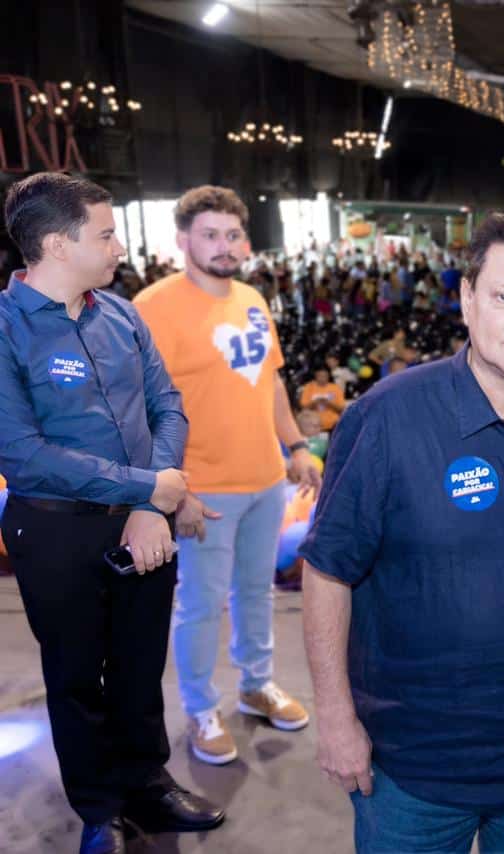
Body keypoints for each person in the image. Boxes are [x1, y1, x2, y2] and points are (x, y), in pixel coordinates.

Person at [300, 210, 504, 852]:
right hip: (415, 770)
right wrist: (334, 715)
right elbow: (328, 569)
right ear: (467, 300)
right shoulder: (387, 417)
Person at [0, 173, 223, 854]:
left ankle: (147, 786)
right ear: (56, 245)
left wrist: (149, 503)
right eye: (105, 233)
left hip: (142, 521)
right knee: (76, 678)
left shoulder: (120, 313)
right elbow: (23, 453)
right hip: (54, 528)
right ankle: (99, 809)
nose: (120, 246)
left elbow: (168, 405)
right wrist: (148, 490)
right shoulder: (6, 330)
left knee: (137, 665)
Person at [134, 187, 319, 766]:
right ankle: (200, 708)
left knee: (255, 593)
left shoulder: (253, 299)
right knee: (201, 604)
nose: (225, 245)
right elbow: (138, 409)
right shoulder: (152, 307)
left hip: (266, 480)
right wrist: (175, 488)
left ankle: (256, 683)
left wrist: (295, 444)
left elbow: (272, 383)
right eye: (210, 234)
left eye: (233, 234)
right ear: (183, 239)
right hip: (203, 489)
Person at [300, 364, 348, 432]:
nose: (322, 378)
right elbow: (303, 408)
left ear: (328, 376)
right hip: (313, 427)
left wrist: (329, 403)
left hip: (333, 426)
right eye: (320, 376)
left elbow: (342, 409)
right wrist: (315, 402)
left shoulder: (335, 388)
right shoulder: (308, 387)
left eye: (325, 376)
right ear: (315, 376)